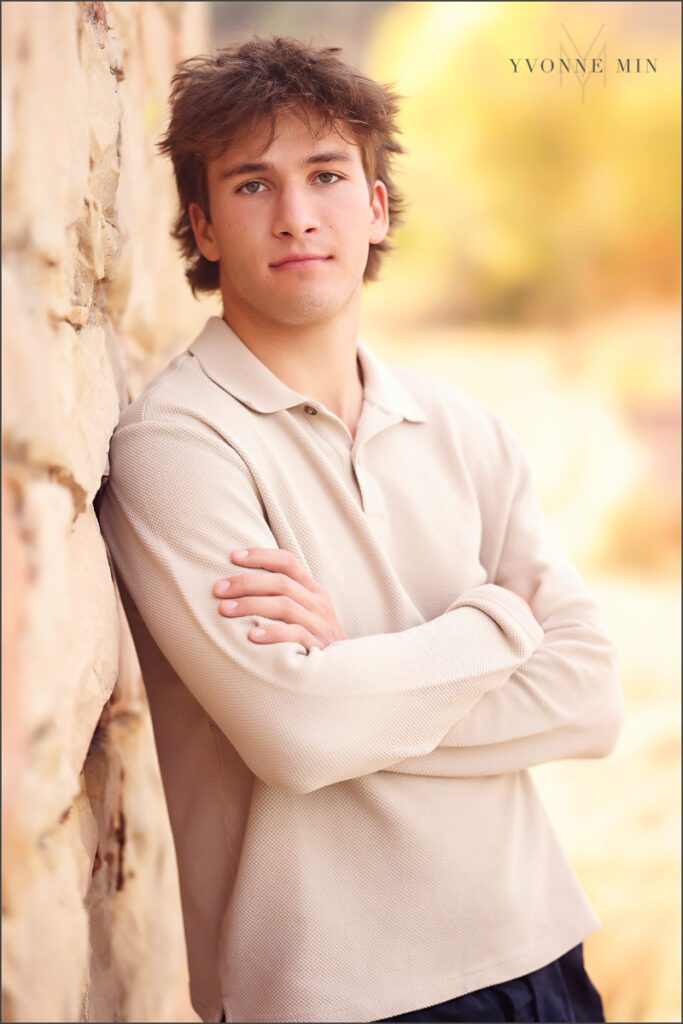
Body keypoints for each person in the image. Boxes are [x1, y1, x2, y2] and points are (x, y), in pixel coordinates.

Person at [97, 36, 625, 1024]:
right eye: (252, 186)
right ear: (203, 227)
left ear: (374, 206)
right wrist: (494, 624)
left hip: (544, 955)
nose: (297, 216)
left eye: (326, 175)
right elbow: (298, 735)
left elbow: (589, 696)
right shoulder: (175, 447)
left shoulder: (465, 429)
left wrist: (356, 672)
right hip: (340, 997)